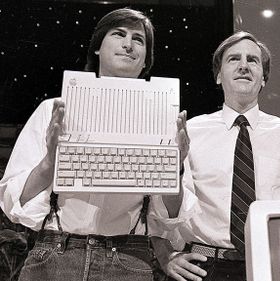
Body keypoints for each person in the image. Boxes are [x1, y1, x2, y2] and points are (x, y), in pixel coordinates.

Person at [0, 8, 194, 281]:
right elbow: (15, 202)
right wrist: (49, 162)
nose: (128, 44)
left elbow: (170, 216)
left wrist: (177, 168)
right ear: (98, 49)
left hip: (127, 260)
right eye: (119, 34)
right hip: (54, 255)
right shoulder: (54, 110)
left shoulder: (166, 121)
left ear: (145, 61)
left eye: (138, 39)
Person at [155, 31, 280, 281]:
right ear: (218, 76)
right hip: (204, 267)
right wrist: (165, 256)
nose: (243, 66)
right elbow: (164, 210)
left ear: (263, 78)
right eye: (233, 59)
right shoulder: (190, 132)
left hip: (274, 266)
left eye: (253, 60)